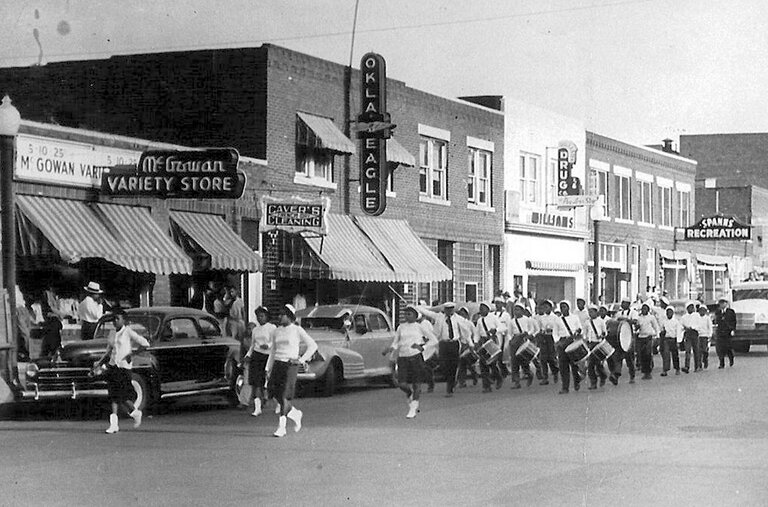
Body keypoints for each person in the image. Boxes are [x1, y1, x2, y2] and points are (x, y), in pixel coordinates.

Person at [91, 308, 150, 434]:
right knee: (113, 396)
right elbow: (108, 351)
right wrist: (99, 364)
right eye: (113, 319)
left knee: (122, 396)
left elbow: (145, 343)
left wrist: (132, 354)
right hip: (113, 366)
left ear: (124, 320)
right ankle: (114, 424)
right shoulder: (112, 333)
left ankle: (135, 412)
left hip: (124, 367)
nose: (115, 321)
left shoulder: (127, 332)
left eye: (117, 319)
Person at [266, 304, 318, 437]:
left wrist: (300, 360)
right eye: (279, 314)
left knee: (284, 395)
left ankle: (281, 427)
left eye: (282, 314)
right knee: (274, 394)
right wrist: (268, 368)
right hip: (278, 364)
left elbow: (312, 345)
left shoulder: (297, 330)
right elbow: (273, 351)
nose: (279, 317)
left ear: (289, 316)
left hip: (290, 365)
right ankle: (295, 414)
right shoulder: (276, 331)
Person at [385, 305, 436, 418]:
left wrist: (422, 348)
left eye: (409, 314)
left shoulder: (420, 327)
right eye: (405, 314)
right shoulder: (401, 327)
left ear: (415, 315)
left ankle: (413, 408)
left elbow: (433, 340)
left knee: (416, 383)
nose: (407, 316)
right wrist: (391, 348)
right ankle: (409, 393)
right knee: (402, 383)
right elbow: (396, 341)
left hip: (416, 357)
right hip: (403, 357)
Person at [432, 302, 470, 397]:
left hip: (454, 343)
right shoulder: (440, 319)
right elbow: (436, 332)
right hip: (444, 344)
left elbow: (465, 331)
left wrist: (468, 342)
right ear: (444, 310)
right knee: (444, 365)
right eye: (447, 309)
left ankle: (450, 387)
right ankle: (450, 380)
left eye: (451, 309)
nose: (449, 311)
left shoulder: (458, 319)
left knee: (453, 365)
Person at [243, 306, 276, 416]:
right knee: (256, 382)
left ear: (266, 316)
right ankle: (257, 408)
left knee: (268, 381)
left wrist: (268, 345)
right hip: (257, 356)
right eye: (258, 316)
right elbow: (253, 345)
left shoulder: (272, 328)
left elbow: (275, 342)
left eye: (262, 316)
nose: (259, 318)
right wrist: (248, 355)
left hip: (268, 356)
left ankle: (278, 402)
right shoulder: (255, 330)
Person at [553, 300, 583, 394]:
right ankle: (565, 387)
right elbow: (555, 332)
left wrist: (578, 332)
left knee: (574, 364)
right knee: (563, 365)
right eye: (561, 307)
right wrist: (557, 342)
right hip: (562, 342)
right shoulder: (557, 319)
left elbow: (580, 328)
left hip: (572, 341)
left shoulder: (575, 317)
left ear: (568, 307)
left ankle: (577, 381)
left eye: (564, 307)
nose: (563, 309)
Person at [474, 302, 503, 392]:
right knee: (483, 364)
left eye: (482, 308)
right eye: (480, 308)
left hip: (492, 341)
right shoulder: (479, 320)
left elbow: (502, 327)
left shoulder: (493, 318)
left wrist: (496, 330)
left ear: (488, 309)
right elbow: (477, 333)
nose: (481, 310)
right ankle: (486, 386)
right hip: (483, 341)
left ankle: (498, 378)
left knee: (492, 363)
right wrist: (475, 342)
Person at [507, 303, 538, 389]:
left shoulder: (527, 320)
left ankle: (528, 373)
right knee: (514, 361)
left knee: (524, 359)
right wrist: (510, 340)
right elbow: (509, 333)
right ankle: (516, 382)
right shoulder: (511, 321)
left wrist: (528, 334)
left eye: (518, 309)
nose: (516, 312)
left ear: (522, 311)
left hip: (523, 339)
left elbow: (532, 329)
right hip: (515, 339)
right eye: (514, 310)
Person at [613, 297, 639, 384]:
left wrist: (626, 320)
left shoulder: (633, 312)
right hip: (620, 338)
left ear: (628, 304)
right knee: (618, 357)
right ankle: (616, 375)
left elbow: (635, 322)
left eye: (624, 303)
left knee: (629, 358)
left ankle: (632, 375)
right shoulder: (619, 313)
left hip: (630, 337)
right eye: (622, 303)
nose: (622, 304)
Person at [534, 300, 559, 385]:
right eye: (544, 307)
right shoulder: (542, 318)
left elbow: (557, 328)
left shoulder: (555, 317)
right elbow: (539, 328)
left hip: (551, 337)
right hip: (544, 337)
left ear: (551, 308)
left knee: (551, 357)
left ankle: (555, 372)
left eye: (547, 307)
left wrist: (551, 330)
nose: (545, 309)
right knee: (543, 358)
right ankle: (545, 377)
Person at [583, 305, 608, 390]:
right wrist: (586, 341)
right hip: (590, 344)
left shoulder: (601, 321)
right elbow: (585, 333)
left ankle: (603, 376)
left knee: (598, 364)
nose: (590, 313)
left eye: (592, 312)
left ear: (596, 312)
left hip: (598, 344)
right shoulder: (587, 322)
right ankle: (593, 382)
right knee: (590, 365)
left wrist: (601, 335)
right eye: (589, 312)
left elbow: (605, 332)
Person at [635, 302, 660, 380]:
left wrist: (657, 335)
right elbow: (636, 328)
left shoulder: (651, 317)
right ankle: (644, 371)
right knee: (641, 355)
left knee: (648, 354)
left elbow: (656, 326)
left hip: (648, 337)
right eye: (642, 309)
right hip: (641, 337)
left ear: (648, 310)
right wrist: (636, 327)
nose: (643, 310)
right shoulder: (639, 318)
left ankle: (648, 372)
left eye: (645, 309)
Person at [456, 306, 478, 387]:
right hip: (461, 344)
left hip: (468, 345)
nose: (461, 315)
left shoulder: (469, 323)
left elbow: (474, 333)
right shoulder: (457, 323)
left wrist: (473, 343)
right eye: (460, 314)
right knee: (462, 364)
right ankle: (462, 381)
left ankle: (474, 375)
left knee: (468, 363)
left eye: (463, 314)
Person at [680, 301, 702, 373]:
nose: (691, 309)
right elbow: (681, 325)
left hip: (695, 333)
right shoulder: (684, 317)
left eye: (692, 307)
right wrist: (685, 328)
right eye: (689, 307)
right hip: (688, 334)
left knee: (696, 350)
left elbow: (699, 325)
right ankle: (687, 366)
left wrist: (693, 327)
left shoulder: (697, 315)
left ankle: (697, 366)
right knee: (687, 351)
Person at [492, 297, 512, 378]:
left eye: (499, 303)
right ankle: (500, 372)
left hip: (503, 336)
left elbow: (508, 327)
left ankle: (503, 371)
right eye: (496, 303)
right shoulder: (492, 315)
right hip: (494, 337)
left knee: (501, 355)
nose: (497, 305)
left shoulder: (506, 315)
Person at [714, 298, 737, 368]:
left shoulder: (731, 311)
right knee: (720, 348)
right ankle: (721, 363)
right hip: (720, 332)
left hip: (728, 332)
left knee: (728, 347)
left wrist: (733, 330)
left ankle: (731, 358)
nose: (722, 305)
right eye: (720, 303)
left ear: (726, 303)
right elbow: (716, 321)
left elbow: (734, 321)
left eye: (723, 303)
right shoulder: (718, 312)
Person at [659, 306, 681, 376]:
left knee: (675, 355)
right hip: (666, 339)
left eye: (670, 312)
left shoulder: (676, 322)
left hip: (673, 339)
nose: (669, 314)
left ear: (673, 313)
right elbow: (662, 330)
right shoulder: (664, 322)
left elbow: (678, 332)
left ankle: (677, 369)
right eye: (667, 313)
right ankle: (665, 370)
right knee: (666, 355)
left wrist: (678, 341)